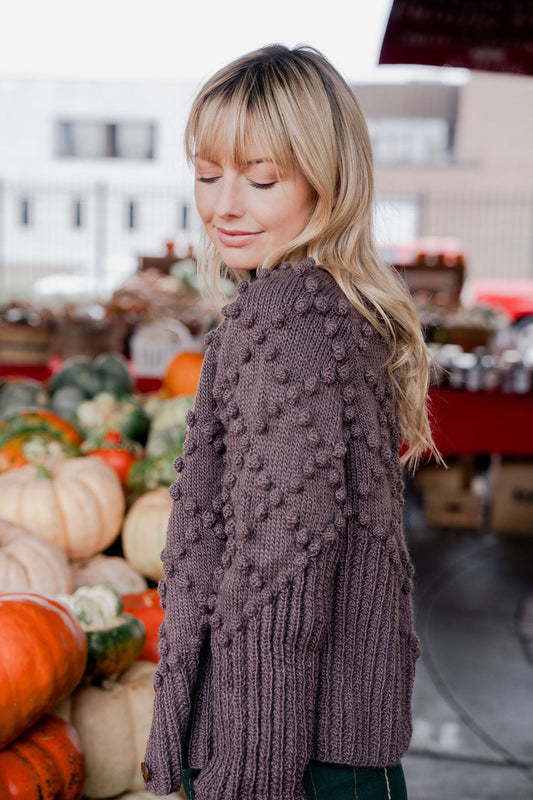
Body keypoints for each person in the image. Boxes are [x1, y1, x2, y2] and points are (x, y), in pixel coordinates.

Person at [141, 44, 444, 800]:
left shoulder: (281, 321)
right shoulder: (334, 307)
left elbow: (280, 575)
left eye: (262, 177)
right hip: (343, 747)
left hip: (288, 758)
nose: (224, 205)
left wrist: (248, 778)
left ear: (327, 180)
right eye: (208, 175)